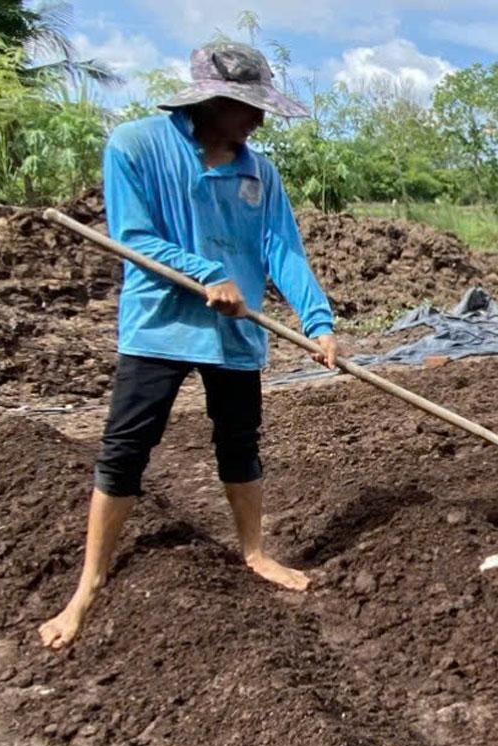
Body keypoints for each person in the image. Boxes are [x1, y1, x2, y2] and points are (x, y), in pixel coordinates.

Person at [38, 42, 339, 650]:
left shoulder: (260, 172)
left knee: (239, 441)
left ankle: (254, 551)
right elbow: (135, 237)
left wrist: (318, 321)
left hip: (237, 328)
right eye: (248, 107)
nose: (260, 119)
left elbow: (281, 248)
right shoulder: (136, 145)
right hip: (159, 324)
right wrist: (204, 272)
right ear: (213, 100)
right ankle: (89, 584)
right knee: (125, 449)